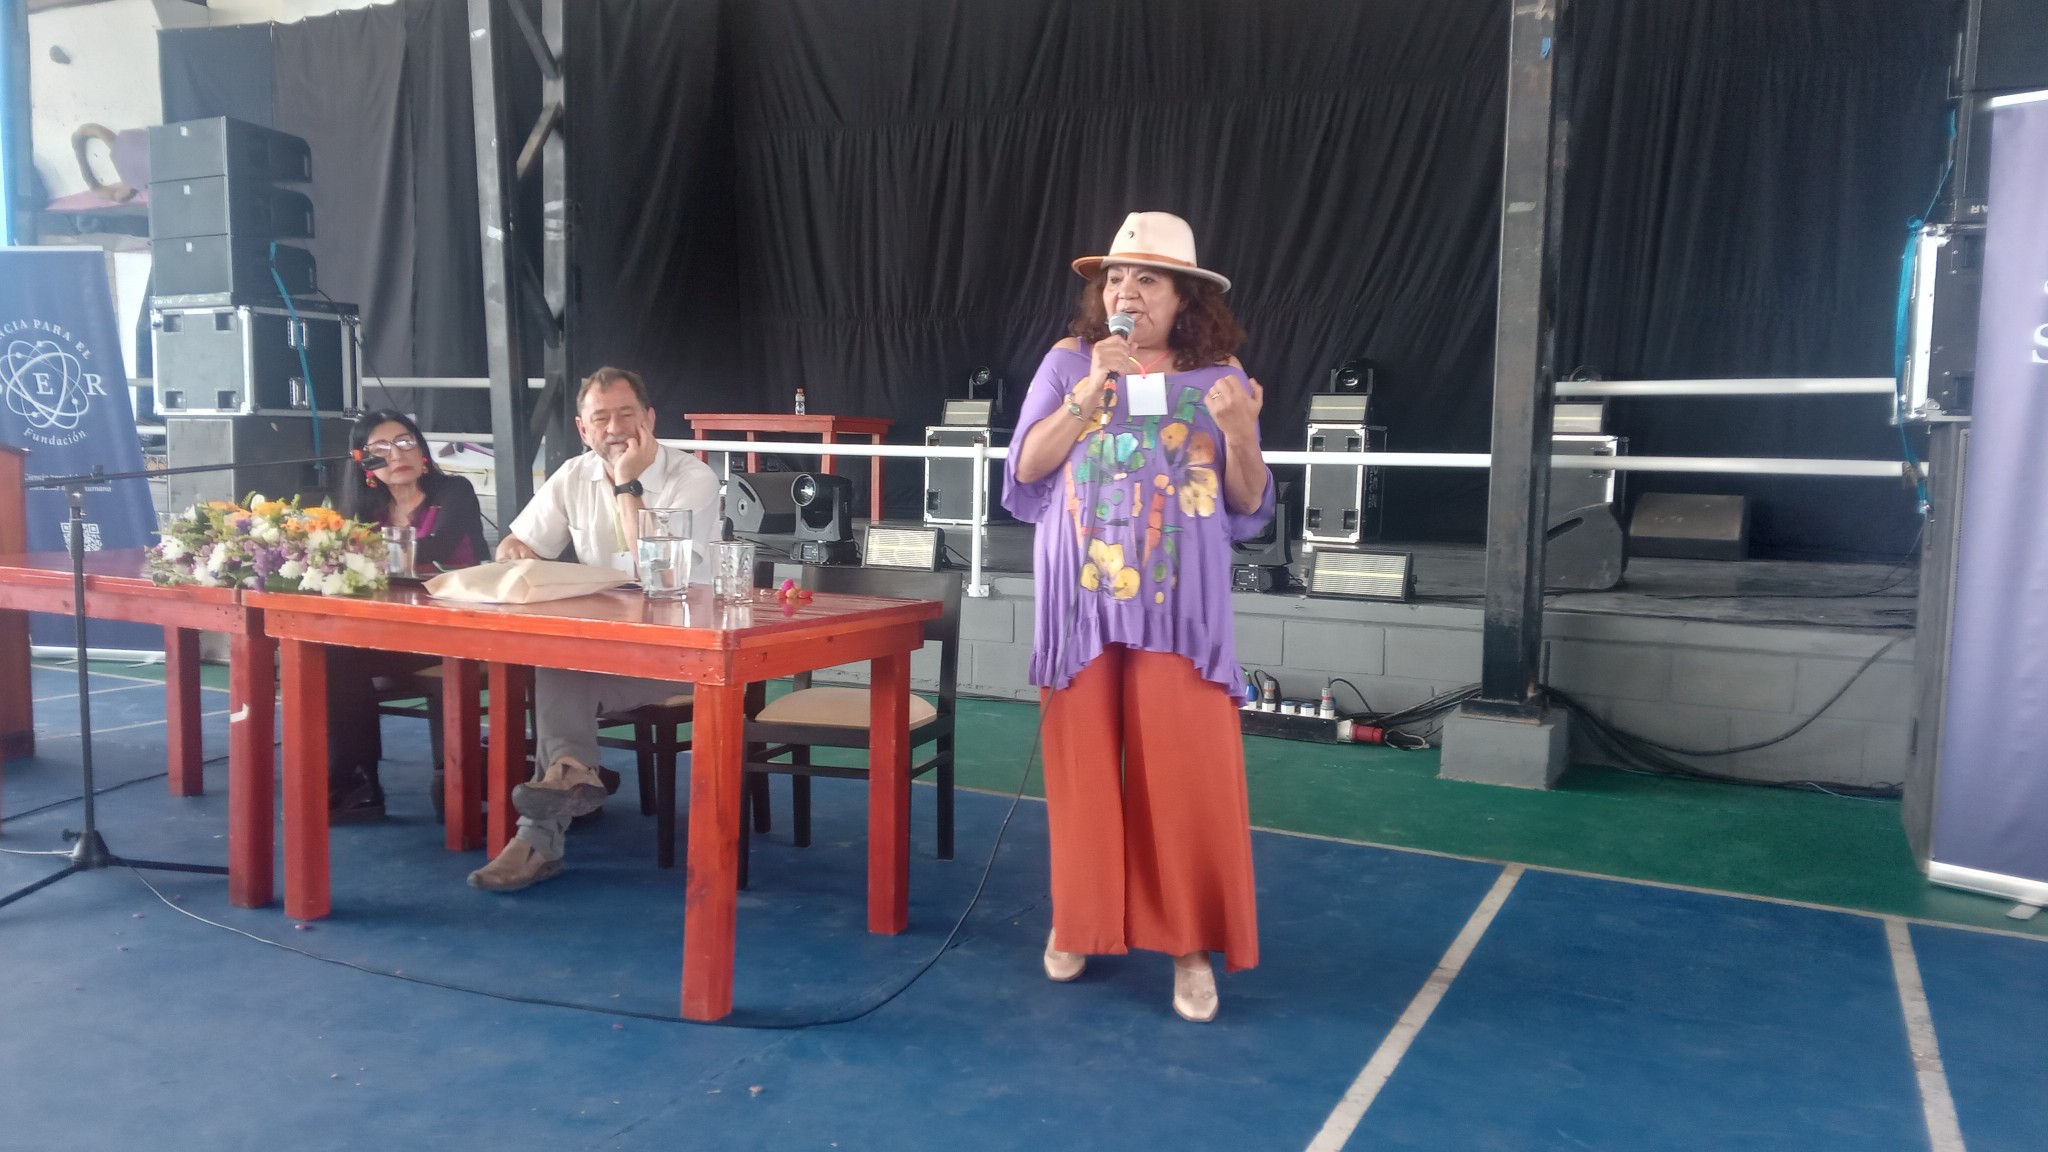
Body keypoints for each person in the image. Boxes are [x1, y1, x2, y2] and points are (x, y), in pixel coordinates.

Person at [1003, 211, 1272, 1022]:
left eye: (1147, 278)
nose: (1126, 291)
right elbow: (1027, 467)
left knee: (1184, 778)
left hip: (1179, 608)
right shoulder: (1069, 361)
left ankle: (1188, 945)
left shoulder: (1220, 375)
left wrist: (1241, 433)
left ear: (1185, 295)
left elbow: (1248, 500)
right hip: (1079, 599)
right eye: (1115, 278)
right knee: (1080, 769)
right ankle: (1080, 918)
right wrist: (1086, 396)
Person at [467, 366, 720, 892]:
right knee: (559, 665)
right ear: (583, 429)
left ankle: (542, 830)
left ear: (650, 418)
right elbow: (518, 544)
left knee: (559, 673)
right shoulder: (573, 474)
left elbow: (660, 575)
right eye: (600, 418)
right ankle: (568, 780)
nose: (615, 428)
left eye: (627, 414)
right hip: (606, 647)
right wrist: (516, 551)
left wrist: (628, 483)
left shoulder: (692, 477)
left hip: (684, 652)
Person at [327, 408, 488, 821]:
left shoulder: (453, 492)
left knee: (341, 658)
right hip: (392, 634)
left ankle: (455, 775)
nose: (396, 454)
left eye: (404, 442)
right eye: (380, 448)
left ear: (421, 449)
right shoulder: (363, 512)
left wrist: (363, 552)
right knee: (331, 655)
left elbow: (437, 546)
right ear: (363, 462)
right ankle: (357, 781)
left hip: (456, 630)